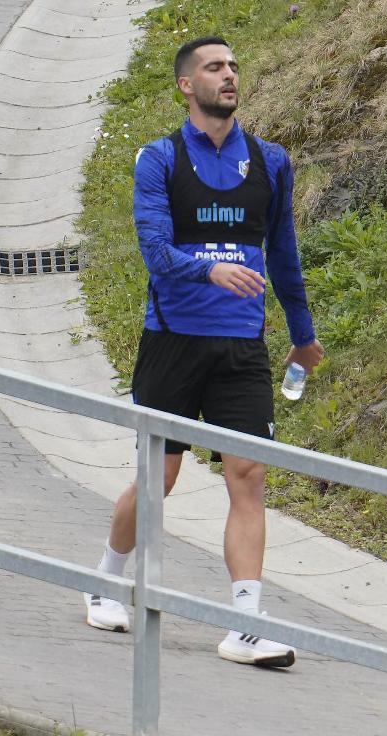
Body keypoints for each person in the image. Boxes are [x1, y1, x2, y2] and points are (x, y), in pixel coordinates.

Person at [83, 36, 324, 668]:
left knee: (248, 476)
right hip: (173, 341)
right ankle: (108, 580)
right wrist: (209, 271)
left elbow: (284, 255)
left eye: (234, 66)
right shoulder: (157, 160)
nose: (229, 75)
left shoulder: (271, 161)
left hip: (242, 348)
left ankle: (244, 625)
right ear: (187, 85)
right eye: (215, 68)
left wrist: (302, 333)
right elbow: (155, 252)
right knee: (159, 477)